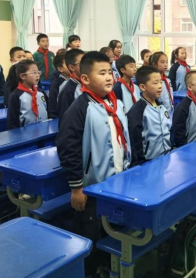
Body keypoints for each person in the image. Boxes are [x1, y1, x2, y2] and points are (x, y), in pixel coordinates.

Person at [56, 51, 131, 275]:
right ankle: (91, 271)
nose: (109, 77)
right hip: (92, 187)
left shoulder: (114, 103)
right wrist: (76, 187)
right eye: (102, 73)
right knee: (92, 234)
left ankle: (108, 267)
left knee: (113, 230)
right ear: (85, 79)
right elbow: (67, 148)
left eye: (109, 72)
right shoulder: (80, 108)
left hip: (117, 180)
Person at [127, 66, 171, 166]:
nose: (160, 86)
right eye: (155, 83)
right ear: (143, 87)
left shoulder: (162, 107)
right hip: (148, 162)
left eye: (160, 82)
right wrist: (140, 163)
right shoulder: (137, 111)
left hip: (165, 157)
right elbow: (135, 140)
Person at [172, 71, 196, 147]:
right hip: (189, 147)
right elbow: (179, 131)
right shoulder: (183, 107)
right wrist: (184, 149)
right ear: (190, 87)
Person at [7, 60, 49, 129]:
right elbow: (12, 121)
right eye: (34, 72)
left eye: (38, 72)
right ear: (23, 76)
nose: (37, 75)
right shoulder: (16, 95)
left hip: (44, 129)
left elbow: (49, 111)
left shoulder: (41, 92)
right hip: (25, 133)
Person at [56, 49, 85, 119]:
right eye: (82, 63)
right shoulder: (68, 91)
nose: (87, 66)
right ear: (72, 67)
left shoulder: (88, 85)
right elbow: (65, 118)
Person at [48, 54, 70, 119]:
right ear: (60, 69)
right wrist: (53, 117)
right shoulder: (57, 83)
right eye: (68, 63)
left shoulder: (78, 81)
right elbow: (52, 102)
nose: (72, 65)